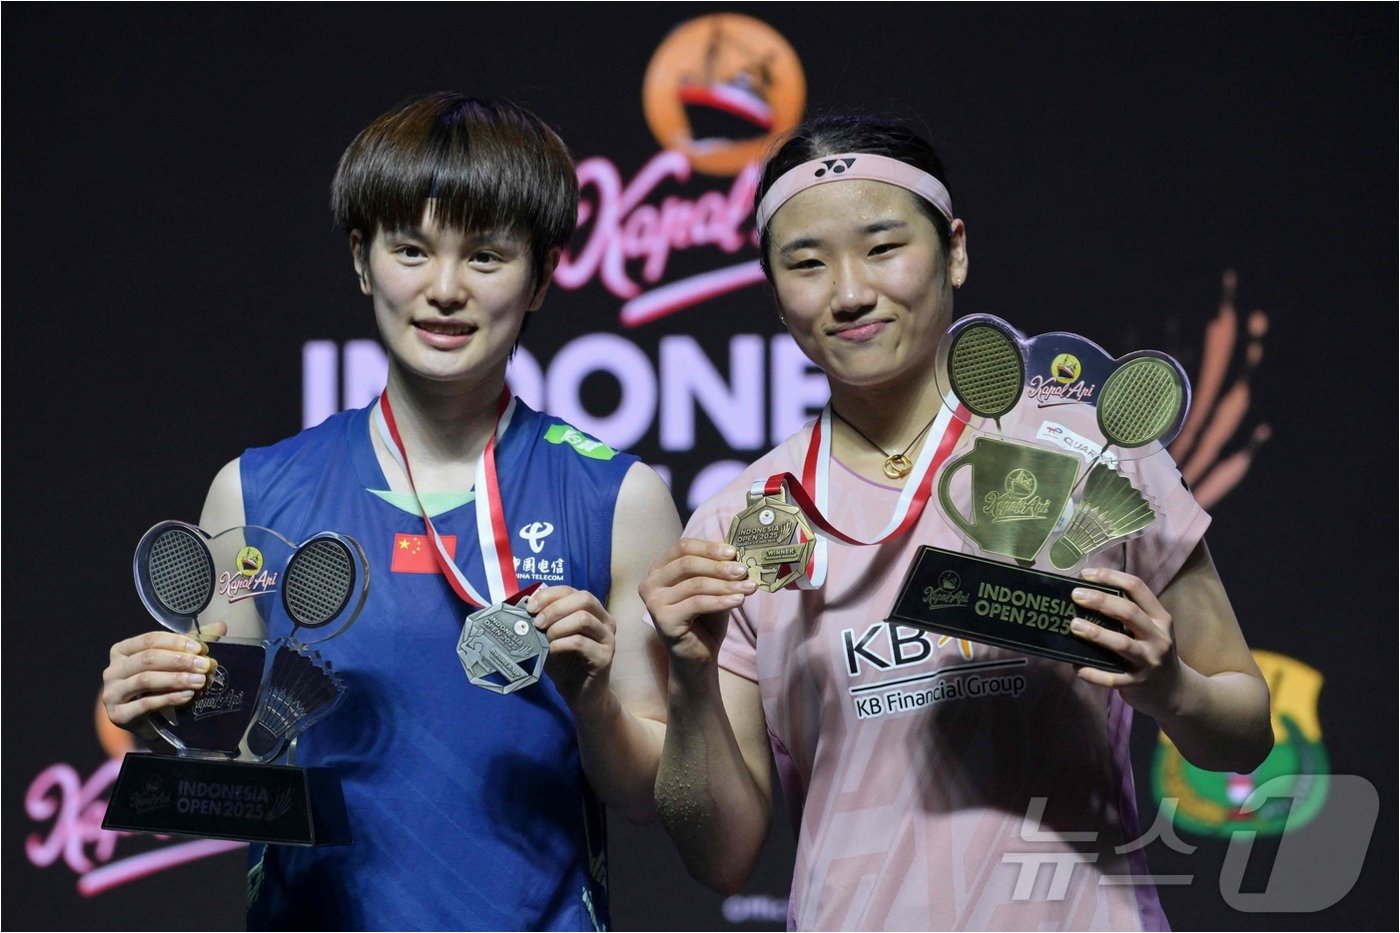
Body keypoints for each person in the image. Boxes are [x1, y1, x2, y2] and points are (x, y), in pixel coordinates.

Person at [641, 112, 1273, 931]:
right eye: (806, 263)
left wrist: (1171, 687)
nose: (849, 292)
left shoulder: (1093, 450)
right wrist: (690, 676)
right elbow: (719, 856)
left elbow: (1245, 731)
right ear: (773, 287)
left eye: (883, 247)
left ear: (956, 251)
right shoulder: (741, 520)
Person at [101, 93, 675, 930]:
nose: (444, 289)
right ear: (362, 259)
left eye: (486, 256)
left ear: (544, 275)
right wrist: (162, 722)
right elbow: (228, 762)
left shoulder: (617, 498)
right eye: (411, 249)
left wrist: (593, 703)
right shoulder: (255, 491)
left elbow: (649, 794)